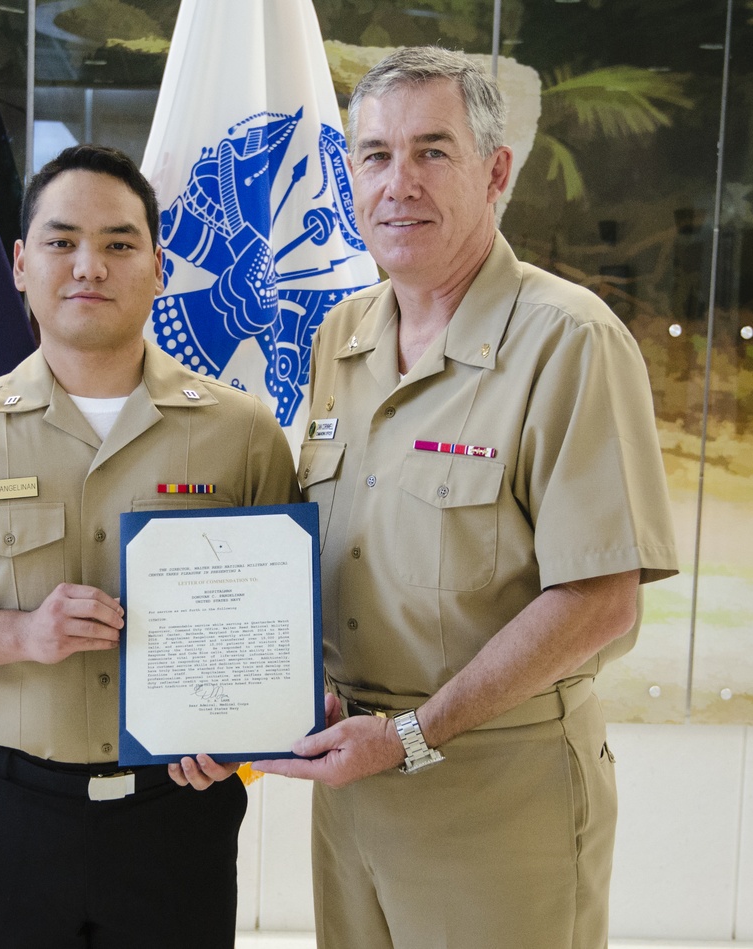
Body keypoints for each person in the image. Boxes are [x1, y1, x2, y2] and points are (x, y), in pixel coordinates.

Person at [254, 46, 678, 949]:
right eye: (374, 155)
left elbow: (600, 598)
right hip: (354, 786)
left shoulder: (569, 342)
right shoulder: (344, 336)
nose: (397, 182)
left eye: (431, 151)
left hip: (500, 793)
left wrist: (412, 733)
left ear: (495, 173)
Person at [0, 144, 300, 949]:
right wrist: (20, 633)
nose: (89, 265)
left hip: (179, 813)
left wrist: (240, 733)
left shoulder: (244, 434)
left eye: (120, 243)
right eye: (61, 242)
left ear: (159, 266)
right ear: (21, 264)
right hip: (10, 812)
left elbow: (289, 628)